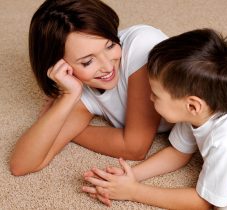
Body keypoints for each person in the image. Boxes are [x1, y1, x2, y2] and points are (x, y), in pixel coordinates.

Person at [82, 28, 227, 209]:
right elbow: (178, 153)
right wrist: (132, 175)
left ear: (193, 105)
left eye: (156, 94)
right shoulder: (205, 106)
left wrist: (134, 192)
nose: (149, 98)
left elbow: (203, 202)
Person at [9, 0, 171, 176]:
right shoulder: (79, 86)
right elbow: (21, 165)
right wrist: (67, 98)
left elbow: (135, 147)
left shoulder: (142, 49)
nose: (107, 66)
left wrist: (63, 125)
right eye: (87, 61)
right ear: (60, 66)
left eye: (109, 45)